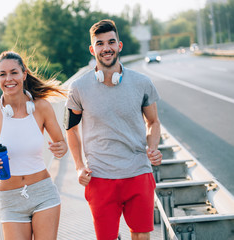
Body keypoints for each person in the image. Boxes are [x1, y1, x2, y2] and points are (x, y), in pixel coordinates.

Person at [65, 19, 163, 240]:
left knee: (140, 235)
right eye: (100, 44)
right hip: (99, 177)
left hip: (138, 172)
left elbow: (153, 122)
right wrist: (79, 166)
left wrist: (153, 147)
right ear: (93, 50)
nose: (106, 48)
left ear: (120, 45)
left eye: (111, 42)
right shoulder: (78, 88)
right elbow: (71, 128)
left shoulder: (142, 83)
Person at [0, 51, 67, 240]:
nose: (9, 79)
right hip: (10, 199)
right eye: (2, 74)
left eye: (14, 72)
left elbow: (61, 142)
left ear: (24, 74)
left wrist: (61, 147)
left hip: (43, 192)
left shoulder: (41, 107)